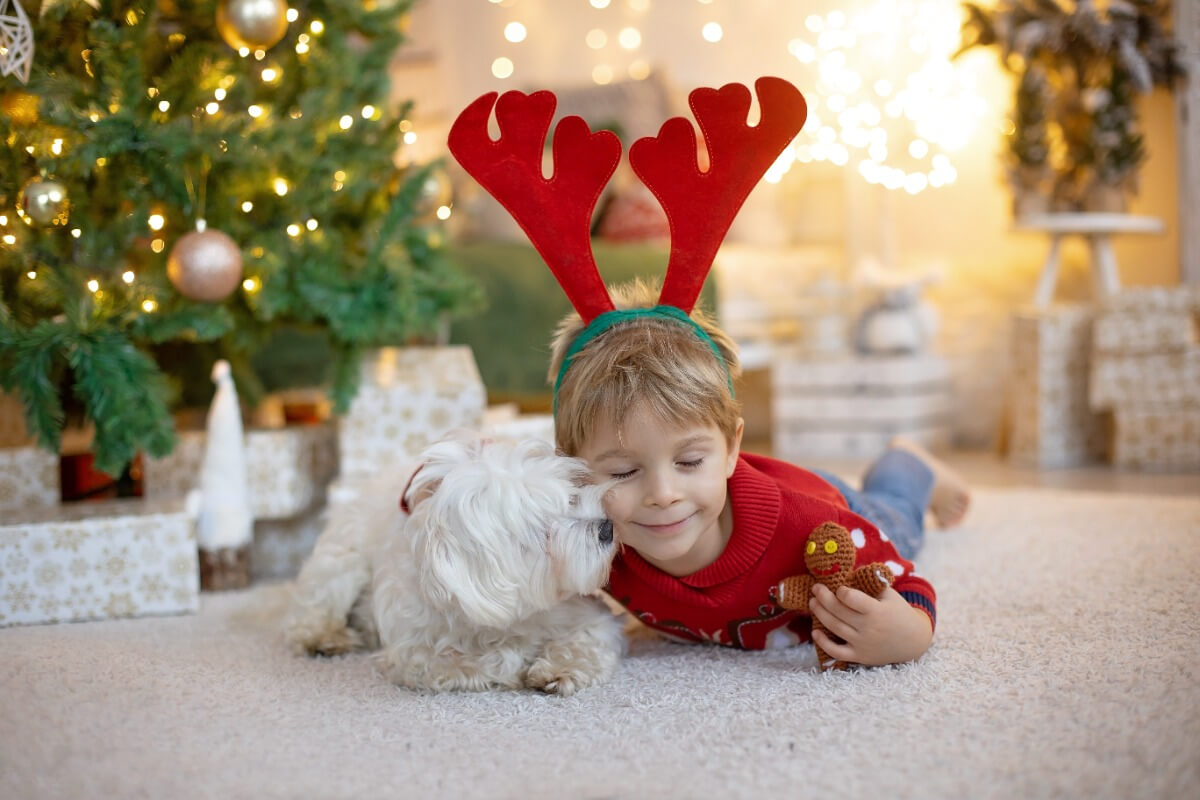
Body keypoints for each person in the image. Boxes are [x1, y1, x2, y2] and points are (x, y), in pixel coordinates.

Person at [548, 278, 970, 666]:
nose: (663, 493)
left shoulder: (810, 529)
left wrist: (911, 636)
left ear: (732, 448)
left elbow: (910, 585)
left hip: (828, 508)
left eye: (690, 462)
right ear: (573, 469)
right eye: (623, 472)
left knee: (898, 516)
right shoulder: (593, 538)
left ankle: (907, 460)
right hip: (777, 485)